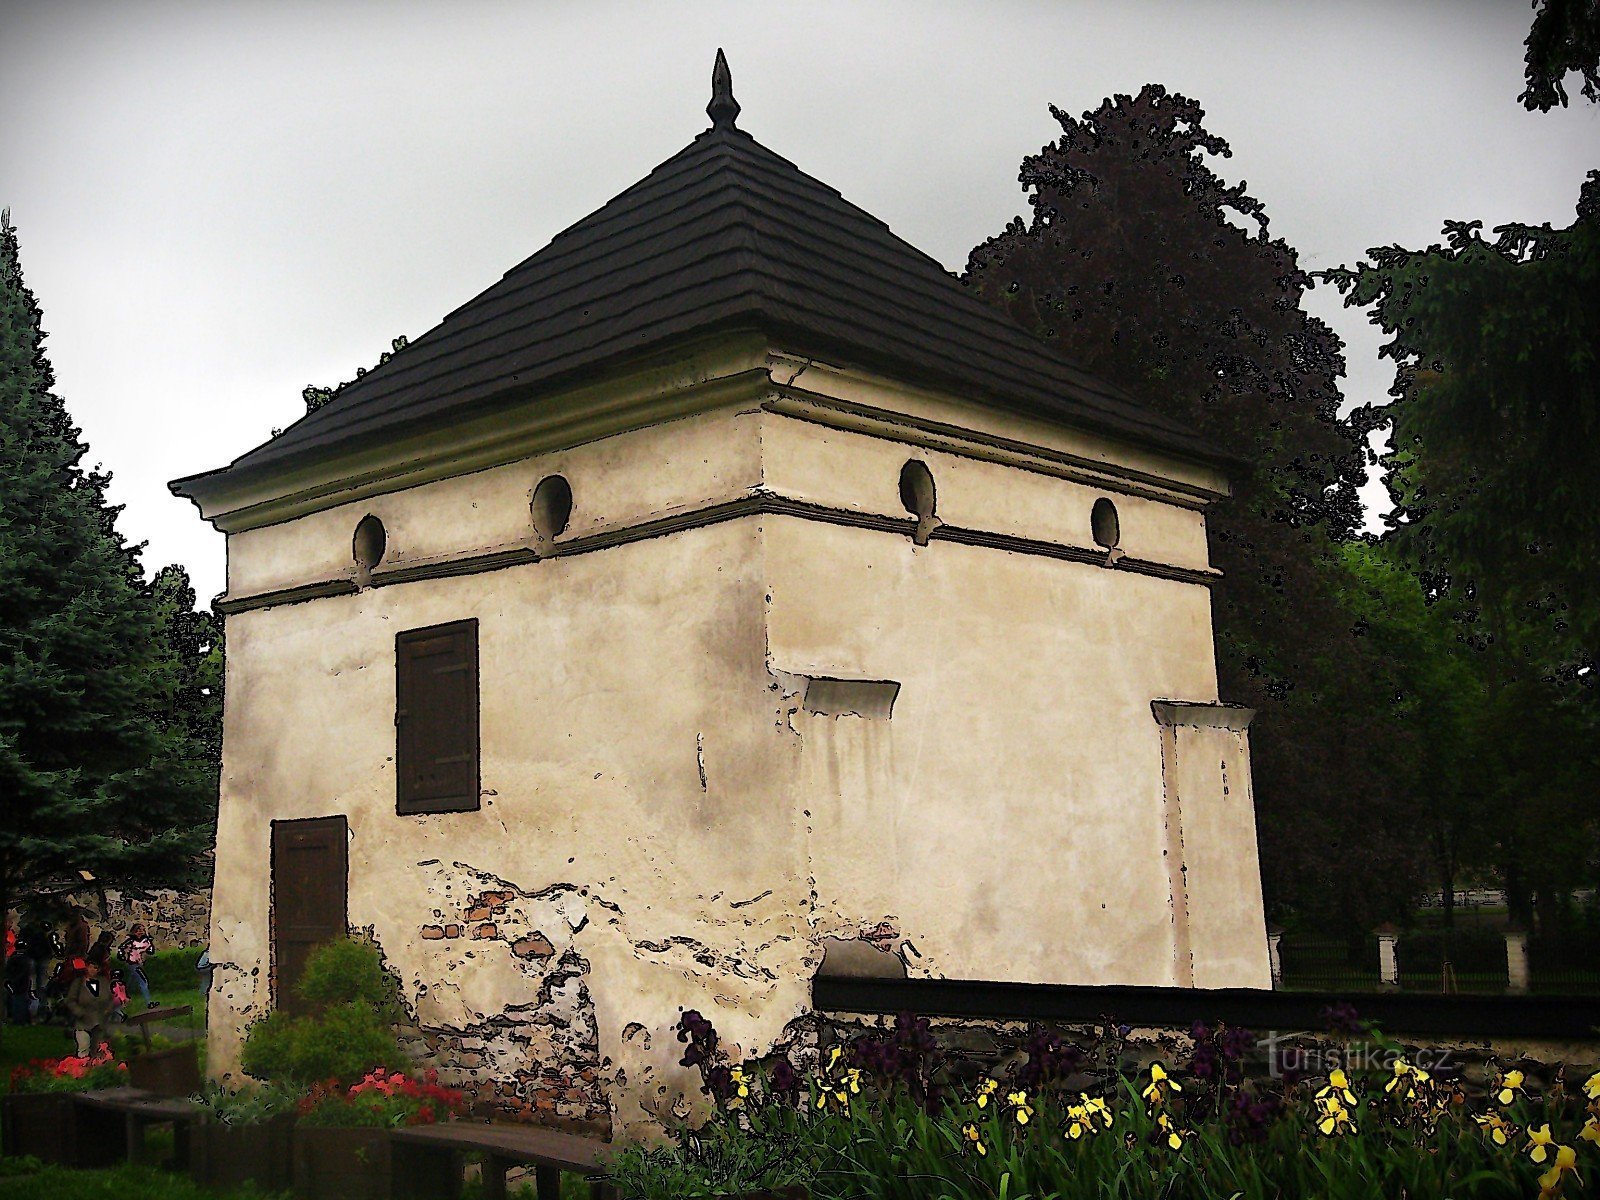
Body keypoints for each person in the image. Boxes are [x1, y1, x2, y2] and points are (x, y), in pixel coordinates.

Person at [64, 959, 116, 1056]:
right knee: (83, 1049)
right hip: (83, 1022)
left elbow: (111, 999)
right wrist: (79, 1012)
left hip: (100, 1022)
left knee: (100, 1051)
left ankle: (98, 1069)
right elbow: (70, 1001)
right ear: (86, 968)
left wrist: (108, 1010)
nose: (92, 970)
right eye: (90, 967)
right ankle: (82, 1069)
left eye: (95, 968)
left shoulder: (103, 982)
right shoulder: (78, 983)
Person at [119, 923, 157, 1009]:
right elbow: (121, 949)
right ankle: (149, 1003)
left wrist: (150, 942)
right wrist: (123, 956)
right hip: (132, 964)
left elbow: (151, 951)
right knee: (143, 982)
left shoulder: (145, 941)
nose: (141, 932)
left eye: (143, 930)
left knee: (130, 983)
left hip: (139, 964)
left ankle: (123, 996)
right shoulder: (130, 941)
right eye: (139, 930)